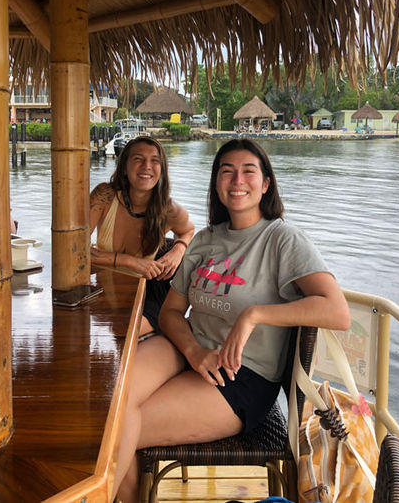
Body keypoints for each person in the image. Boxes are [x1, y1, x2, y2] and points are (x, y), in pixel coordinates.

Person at [111, 139, 351, 502]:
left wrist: (253, 315)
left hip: (240, 375)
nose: (237, 179)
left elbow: (337, 310)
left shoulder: (281, 239)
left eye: (248, 171)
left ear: (265, 183)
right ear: (217, 183)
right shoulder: (205, 239)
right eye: (227, 171)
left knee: (120, 428)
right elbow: (170, 313)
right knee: (111, 402)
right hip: (187, 349)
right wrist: (193, 352)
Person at [90, 136, 194, 337]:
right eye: (138, 159)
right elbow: (73, 249)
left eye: (155, 161)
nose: (147, 166)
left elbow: (188, 230)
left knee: (122, 332)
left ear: (161, 170)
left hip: (150, 291)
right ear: (124, 166)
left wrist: (179, 248)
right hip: (106, 286)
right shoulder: (104, 196)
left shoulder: (169, 210)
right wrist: (130, 262)